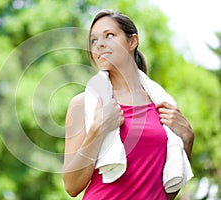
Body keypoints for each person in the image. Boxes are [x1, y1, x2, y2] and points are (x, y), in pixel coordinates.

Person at [63, 9, 194, 200]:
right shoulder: (83, 104)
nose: (99, 44)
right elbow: (71, 186)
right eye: (94, 40)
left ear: (132, 41)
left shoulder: (162, 106)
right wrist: (98, 129)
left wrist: (187, 140)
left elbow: (167, 190)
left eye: (109, 35)